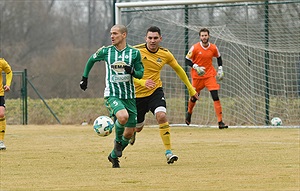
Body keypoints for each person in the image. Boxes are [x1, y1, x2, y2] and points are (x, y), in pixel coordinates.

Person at [80, 24, 144, 168]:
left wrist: (132, 71)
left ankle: (113, 156)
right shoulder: (106, 51)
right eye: (111, 33)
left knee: (128, 134)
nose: (112, 36)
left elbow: (141, 73)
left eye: (115, 33)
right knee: (122, 117)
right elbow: (91, 60)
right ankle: (117, 142)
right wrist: (85, 78)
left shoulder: (134, 53)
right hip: (112, 94)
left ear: (124, 35)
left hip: (129, 96)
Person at [132, 26, 198, 164]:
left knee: (161, 116)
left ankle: (169, 152)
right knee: (138, 128)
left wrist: (191, 89)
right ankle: (132, 132)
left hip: (155, 91)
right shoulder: (135, 51)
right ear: (145, 38)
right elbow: (127, 74)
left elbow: (179, 70)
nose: (152, 41)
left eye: (155, 38)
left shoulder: (166, 54)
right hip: (137, 94)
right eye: (150, 38)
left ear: (160, 39)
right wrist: (142, 82)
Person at [185, 28, 228, 129]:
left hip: (209, 75)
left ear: (209, 36)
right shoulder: (195, 48)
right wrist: (195, 67)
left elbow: (219, 57)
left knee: (215, 96)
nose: (204, 37)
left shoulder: (213, 47)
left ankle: (220, 122)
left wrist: (220, 69)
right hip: (197, 76)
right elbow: (187, 60)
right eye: (202, 36)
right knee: (194, 97)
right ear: (200, 37)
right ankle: (189, 113)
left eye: (205, 35)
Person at [0, 58, 13, 150]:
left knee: (1, 114)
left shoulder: (1, 62)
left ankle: (1, 141)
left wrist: (8, 84)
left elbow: (9, 72)